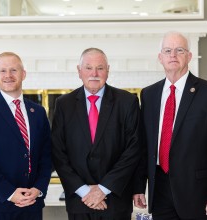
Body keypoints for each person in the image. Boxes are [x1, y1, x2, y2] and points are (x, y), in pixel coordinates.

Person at [133, 32, 207, 220]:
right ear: (160, 57)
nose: (173, 55)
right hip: (160, 190)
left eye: (179, 50)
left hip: (198, 194)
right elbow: (143, 146)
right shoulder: (148, 95)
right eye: (168, 51)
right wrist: (139, 187)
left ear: (189, 56)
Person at [51, 47, 141, 220]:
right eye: (88, 67)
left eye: (100, 68)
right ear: (79, 71)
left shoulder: (127, 102)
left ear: (108, 70)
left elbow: (134, 149)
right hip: (79, 201)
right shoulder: (64, 104)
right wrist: (85, 191)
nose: (94, 73)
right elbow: (57, 152)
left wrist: (103, 189)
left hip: (115, 199)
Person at [0, 52, 52, 220]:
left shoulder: (38, 112)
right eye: (3, 71)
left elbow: (46, 155)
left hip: (31, 202)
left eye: (14, 70)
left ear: (23, 74)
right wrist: (9, 193)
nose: (8, 75)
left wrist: (38, 188)